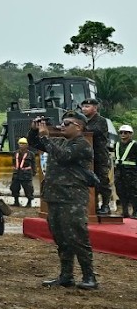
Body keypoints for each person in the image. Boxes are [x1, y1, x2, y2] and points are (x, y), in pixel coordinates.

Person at [29, 112, 98, 289]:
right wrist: (34, 131)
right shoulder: (59, 142)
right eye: (62, 123)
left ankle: (89, 276)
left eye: (67, 123)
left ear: (79, 127)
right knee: (61, 238)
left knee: (78, 237)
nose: (62, 126)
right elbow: (35, 143)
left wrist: (46, 137)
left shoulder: (82, 145)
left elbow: (64, 156)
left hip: (72, 198)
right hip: (55, 196)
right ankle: (66, 276)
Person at [81, 99, 113, 214]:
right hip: (87, 156)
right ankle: (92, 205)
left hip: (100, 156)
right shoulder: (83, 121)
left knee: (102, 181)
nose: (84, 109)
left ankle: (106, 205)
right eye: (83, 106)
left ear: (95, 108)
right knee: (88, 181)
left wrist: (79, 128)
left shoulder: (101, 120)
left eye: (87, 106)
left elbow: (95, 131)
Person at [114, 124, 136, 217]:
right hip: (119, 171)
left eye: (126, 133)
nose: (123, 134)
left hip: (131, 172)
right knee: (120, 191)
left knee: (133, 192)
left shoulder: (135, 145)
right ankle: (125, 211)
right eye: (121, 133)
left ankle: (135, 212)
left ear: (130, 134)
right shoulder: (117, 144)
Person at [11, 137, 37, 208]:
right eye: (20, 144)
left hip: (26, 174)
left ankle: (29, 202)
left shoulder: (31, 154)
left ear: (27, 145)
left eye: (23, 144)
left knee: (28, 189)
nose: (21, 145)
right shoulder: (15, 153)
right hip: (16, 174)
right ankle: (16, 201)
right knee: (14, 188)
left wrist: (34, 172)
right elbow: (13, 162)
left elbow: (34, 164)